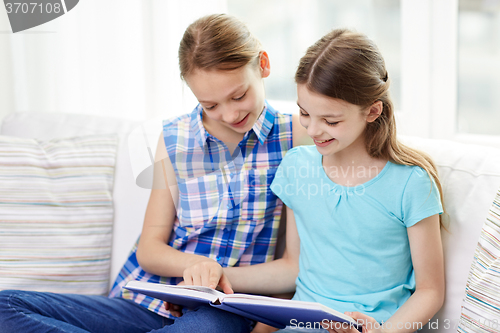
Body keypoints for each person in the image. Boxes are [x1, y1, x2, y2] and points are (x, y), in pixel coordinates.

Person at [0, 13, 309, 333]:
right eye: (210, 105)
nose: (229, 114)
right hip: (146, 303)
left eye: (238, 96)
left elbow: (292, 267)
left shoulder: (295, 136)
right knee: (4, 306)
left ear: (263, 65)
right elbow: (150, 248)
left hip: (221, 310)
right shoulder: (176, 136)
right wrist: (196, 266)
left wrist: (217, 278)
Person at [220, 29, 445, 333]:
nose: (313, 130)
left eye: (331, 120)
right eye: (304, 113)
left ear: (372, 111)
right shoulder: (297, 167)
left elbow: (431, 291)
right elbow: (292, 267)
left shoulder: (411, 183)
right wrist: (217, 277)